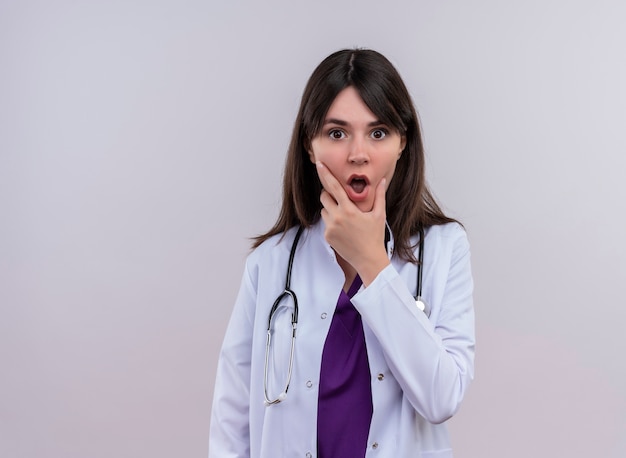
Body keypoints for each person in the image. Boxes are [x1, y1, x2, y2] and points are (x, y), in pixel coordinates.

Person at [209, 48, 475, 458]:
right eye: (337, 133)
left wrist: (373, 263)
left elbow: (441, 399)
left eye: (378, 132)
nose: (358, 153)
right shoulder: (271, 262)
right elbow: (232, 418)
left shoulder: (445, 248)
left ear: (403, 142)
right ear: (309, 146)